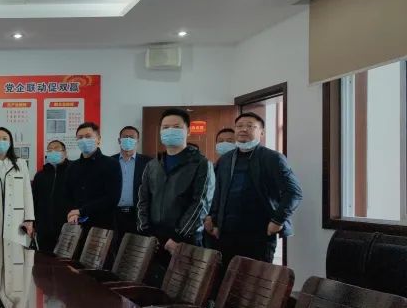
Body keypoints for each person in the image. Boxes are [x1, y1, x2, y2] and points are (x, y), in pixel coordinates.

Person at [205, 112, 302, 269]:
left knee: (254, 279)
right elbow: (217, 192)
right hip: (226, 234)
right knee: (225, 278)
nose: (243, 129)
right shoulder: (225, 159)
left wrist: (278, 220)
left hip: (259, 234)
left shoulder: (272, 158)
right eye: (239, 126)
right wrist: (213, 218)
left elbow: (294, 192)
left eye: (250, 126)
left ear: (262, 132)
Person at [137, 109, 213, 280]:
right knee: (151, 289)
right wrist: (147, 232)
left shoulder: (201, 164)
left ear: (188, 131)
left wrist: (178, 237)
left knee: (184, 289)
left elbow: (200, 204)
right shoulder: (153, 165)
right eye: (165, 127)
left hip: (184, 241)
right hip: (155, 241)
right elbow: (143, 199)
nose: (170, 130)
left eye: (176, 127)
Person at [65, 122, 120, 230]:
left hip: (102, 226)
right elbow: (67, 195)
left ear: (98, 139)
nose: (84, 140)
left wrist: (81, 211)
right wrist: (72, 213)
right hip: (75, 225)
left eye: (88, 136)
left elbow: (112, 198)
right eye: (80, 137)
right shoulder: (72, 167)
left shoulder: (111, 164)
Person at [111, 125, 153, 246]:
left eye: (132, 137)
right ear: (119, 140)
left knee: (136, 249)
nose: (128, 139)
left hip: (138, 214)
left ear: (137, 141)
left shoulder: (149, 162)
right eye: (125, 137)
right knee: (114, 248)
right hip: (114, 214)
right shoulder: (110, 162)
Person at [31, 140, 72, 253]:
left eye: (56, 148)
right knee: (45, 260)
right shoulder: (40, 175)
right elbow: (34, 201)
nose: (53, 151)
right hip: (44, 229)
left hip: (68, 228)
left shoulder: (73, 171)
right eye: (50, 150)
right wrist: (34, 224)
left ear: (65, 153)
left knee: (66, 261)